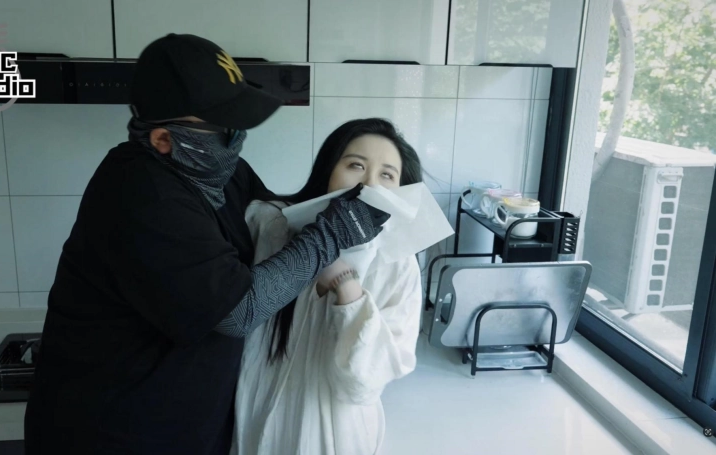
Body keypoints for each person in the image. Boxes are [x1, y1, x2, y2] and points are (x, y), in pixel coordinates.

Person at [23, 35, 389, 455]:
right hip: (114, 434)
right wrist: (332, 234)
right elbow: (237, 311)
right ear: (164, 140)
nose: (238, 139)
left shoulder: (220, 171)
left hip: (187, 428)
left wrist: (342, 202)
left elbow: (273, 223)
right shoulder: (140, 193)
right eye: (225, 129)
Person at [232, 118, 425, 455]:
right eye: (356, 165)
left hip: (331, 435)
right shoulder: (270, 225)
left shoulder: (397, 265)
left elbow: (362, 385)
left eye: (386, 175)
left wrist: (345, 285)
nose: (368, 184)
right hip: (256, 416)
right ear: (328, 170)